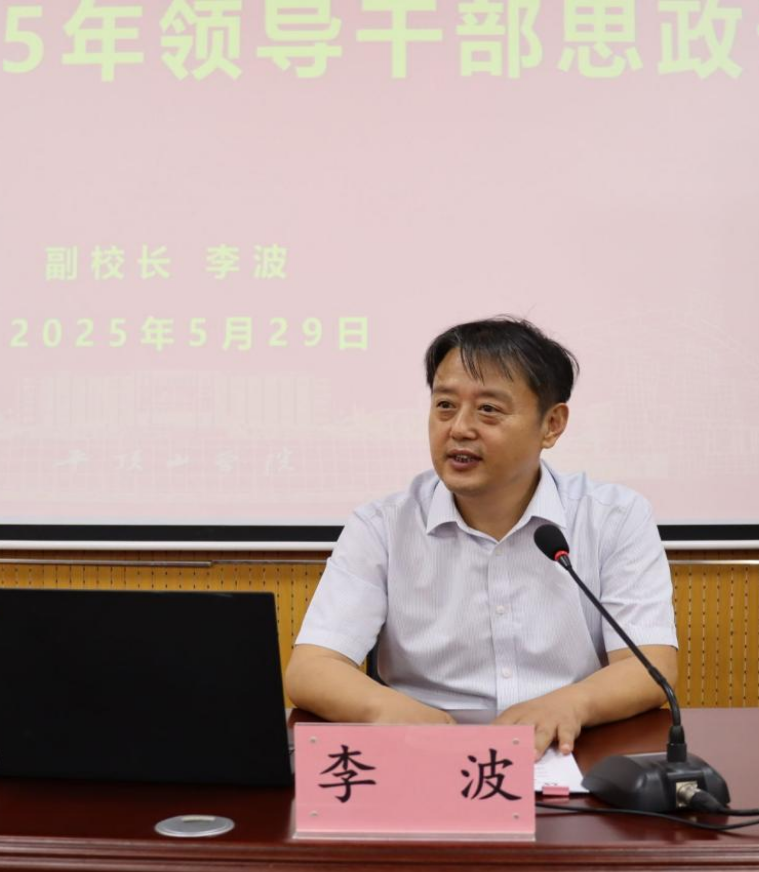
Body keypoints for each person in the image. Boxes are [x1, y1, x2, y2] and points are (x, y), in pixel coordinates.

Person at [285, 317, 677, 758]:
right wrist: (391, 711)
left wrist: (572, 703)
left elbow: (650, 666)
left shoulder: (614, 517)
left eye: (489, 409)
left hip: (568, 748)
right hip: (423, 752)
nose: (459, 428)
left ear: (552, 424)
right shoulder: (382, 526)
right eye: (445, 405)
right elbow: (312, 668)